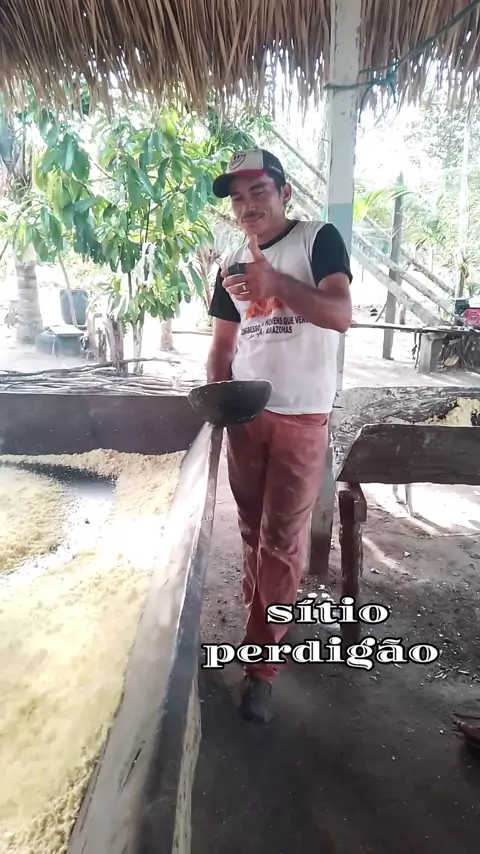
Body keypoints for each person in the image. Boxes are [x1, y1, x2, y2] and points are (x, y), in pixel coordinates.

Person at [206, 148, 353, 724]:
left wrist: (275, 283)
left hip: (302, 416)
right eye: (239, 198)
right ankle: (262, 628)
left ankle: (261, 668)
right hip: (246, 415)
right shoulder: (230, 262)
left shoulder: (318, 240)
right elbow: (223, 345)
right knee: (251, 534)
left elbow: (340, 314)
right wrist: (216, 398)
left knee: (283, 541)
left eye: (259, 192)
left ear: (284, 193)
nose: (248, 206)